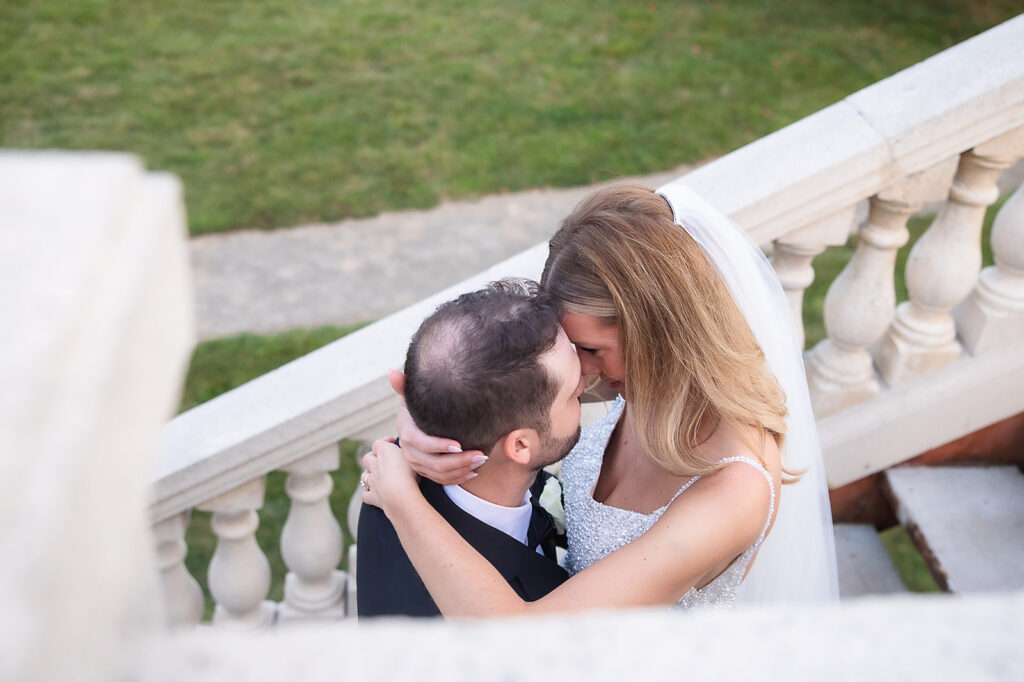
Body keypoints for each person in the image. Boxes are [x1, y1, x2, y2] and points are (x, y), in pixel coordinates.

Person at [360, 182, 839, 616]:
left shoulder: (734, 488)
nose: (583, 372)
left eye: (591, 351)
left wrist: (402, 498)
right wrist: (421, 425)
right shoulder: (640, 379)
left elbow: (521, 638)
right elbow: (498, 394)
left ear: (661, 333)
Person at [357, 279, 583, 617]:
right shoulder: (452, 612)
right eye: (574, 395)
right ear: (520, 445)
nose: (588, 383)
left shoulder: (397, 471)